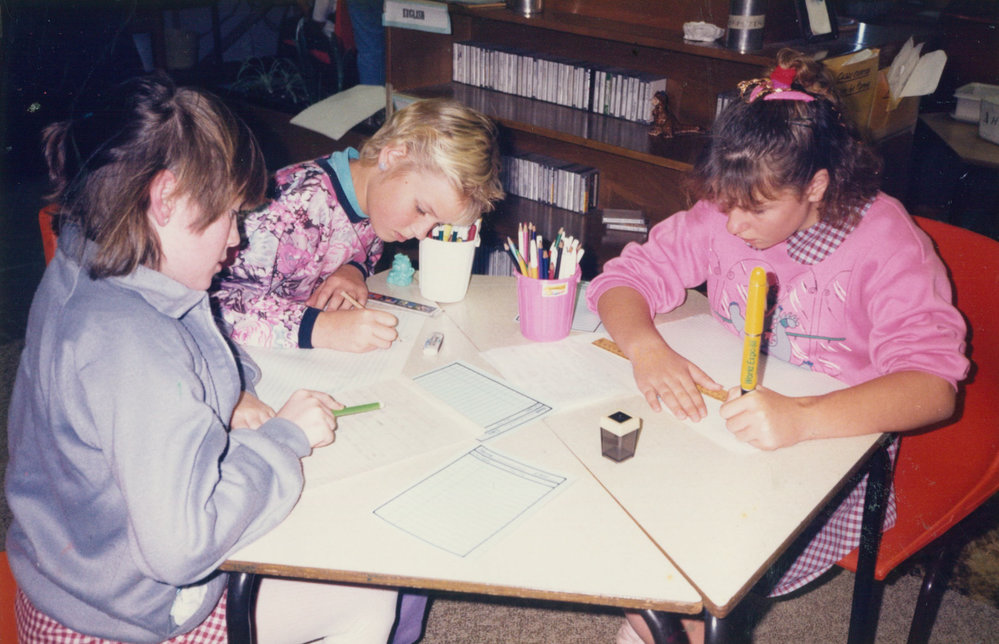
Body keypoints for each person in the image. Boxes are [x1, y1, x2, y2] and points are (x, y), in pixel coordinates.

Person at [587, 49, 970, 644]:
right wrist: (646, 349)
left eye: (756, 210)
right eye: (723, 202)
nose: (733, 226)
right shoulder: (728, 210)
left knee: (691, 586)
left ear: (817, 185)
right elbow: (622, 279)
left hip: (835, 443)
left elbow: (933, 388)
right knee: (621, 521)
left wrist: (798, 417)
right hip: (730, 420)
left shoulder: (885, 241)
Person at [5, 73, 400, 643]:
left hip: (71, 576)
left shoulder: (93, 259)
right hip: (127, 621)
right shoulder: (134, 346)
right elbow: (182, 551)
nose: (236, 240)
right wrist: (284, 440)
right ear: (165, 198)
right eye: (230, 217)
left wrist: (234, 389)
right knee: (366, 593)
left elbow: (187, 357)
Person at [212, 97, 503, 350]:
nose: (421, 233)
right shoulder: (291, 209)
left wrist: (352, 269)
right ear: (393, 156)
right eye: (420, 209)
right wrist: (321, 328)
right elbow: (211, 308)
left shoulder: (374, 202)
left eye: (435, 224)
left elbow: (362, 245)